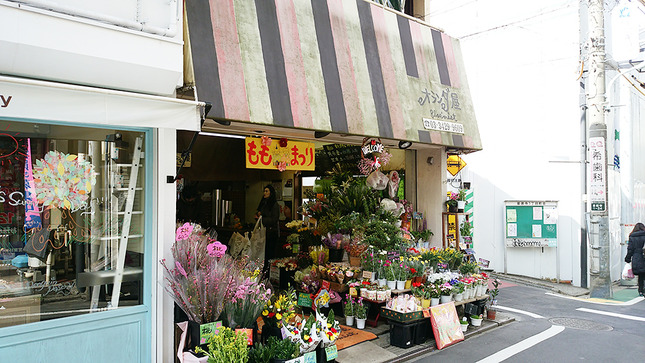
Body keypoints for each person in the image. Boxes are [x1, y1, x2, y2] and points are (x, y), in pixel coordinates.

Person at [256, 184, 280, 273]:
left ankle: (269, 273)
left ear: (271, 193)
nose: (264, 193)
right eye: (264, 191)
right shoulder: (264, 203)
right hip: (264, 233)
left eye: (266, 191)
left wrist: (262, 219)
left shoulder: (274, 205)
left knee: (270, 254)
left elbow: (274, 219)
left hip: (271, 234)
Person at [625, 222, 645, 297]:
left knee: (640, 275)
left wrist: (628, 258)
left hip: (637, 257)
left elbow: (630, 249)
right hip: (644, 256)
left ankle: (641, 290)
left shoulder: (632, 236)